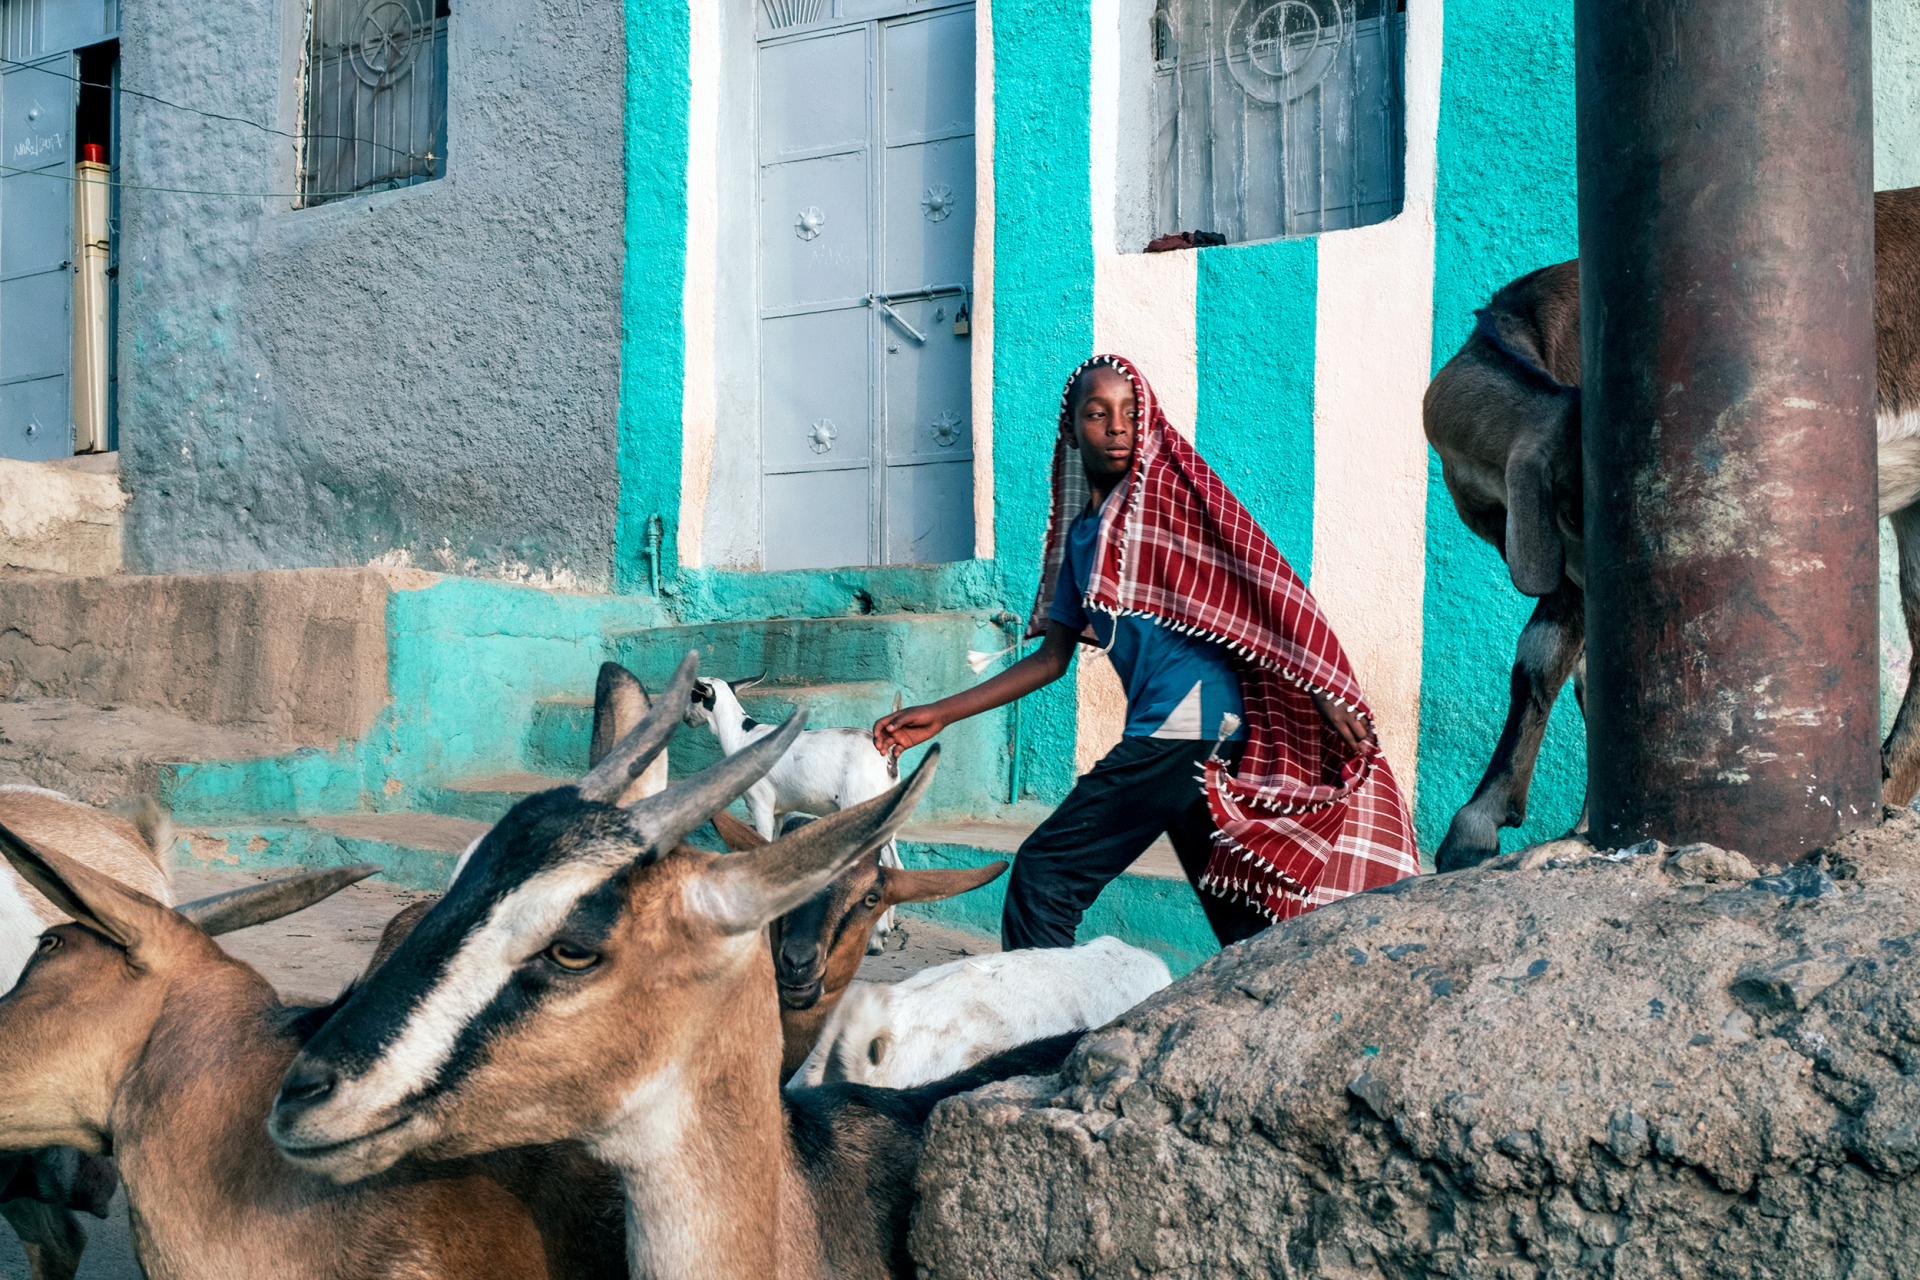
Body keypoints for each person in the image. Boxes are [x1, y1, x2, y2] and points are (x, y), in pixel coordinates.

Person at [874, 354, 1419, 952]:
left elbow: (1260, 589)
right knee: (1238, 907)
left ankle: (1036, 1032)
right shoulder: (1081, 537)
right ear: (1072, 429)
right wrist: (943, 713)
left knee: (1045, 873)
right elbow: (1052, 660)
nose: (1117, 427)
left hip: (1193, 722)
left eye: (1131, 413)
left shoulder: (1171, 510)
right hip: (1182, 730)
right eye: (1097, 413)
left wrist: (1321, 684)